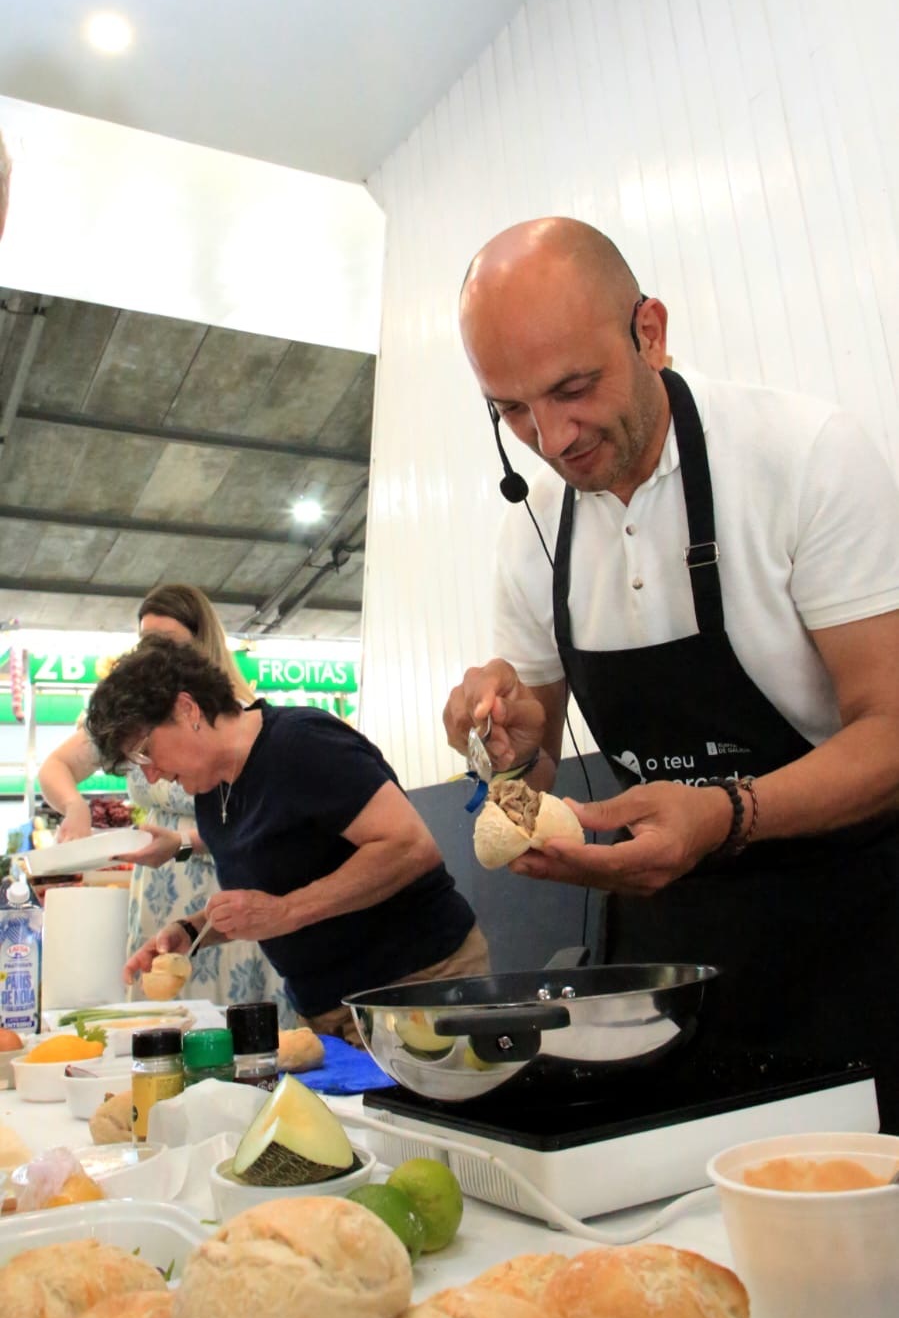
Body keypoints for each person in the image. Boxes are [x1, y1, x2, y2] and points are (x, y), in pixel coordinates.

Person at [443, 215, 899, 1126]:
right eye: (512, 409)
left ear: (648, 332)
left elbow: (889, 729)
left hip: (854, 936)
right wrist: (502, 756)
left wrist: (725, 813)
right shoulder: (533, 530)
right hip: (667, 962)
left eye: (574, 388)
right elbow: (524, 780)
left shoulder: (801, 457)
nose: (552, 437)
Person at [85, 635, 488, 1041]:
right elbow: (269, 898)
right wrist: (192, 932)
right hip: (326, 1011)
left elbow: (410, 847)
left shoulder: (302, 744)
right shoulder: (211, 790)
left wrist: (287, 912)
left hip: (418, 986)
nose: (149, 774)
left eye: (144, 752)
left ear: (187, 709)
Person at [37, 584, 293, 1019]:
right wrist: (75, 807)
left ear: (202, 643)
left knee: (230, 1023)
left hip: (223, 886)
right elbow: (56, 766)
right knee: (163, 1017)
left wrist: (180, 842)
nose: (156, 655)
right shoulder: (135, 713)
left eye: (169, 643)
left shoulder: (240, 716)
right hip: (157, 890)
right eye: (147, 642)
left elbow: (261, 822)